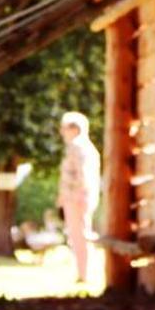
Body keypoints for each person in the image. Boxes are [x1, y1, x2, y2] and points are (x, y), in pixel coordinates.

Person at [57, 111, 102, 283]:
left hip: (77, 199)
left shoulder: (78, 147)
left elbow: (82, 175)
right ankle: (82, 272)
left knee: (79, 235)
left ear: (75, 128)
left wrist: (78, 196)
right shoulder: (86, 147)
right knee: (78, 235)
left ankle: (84, 274)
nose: (62, 132)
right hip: (77, 198)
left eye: (65, 127)